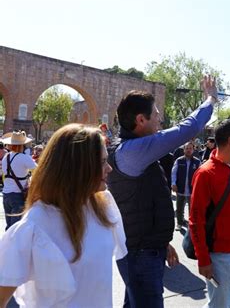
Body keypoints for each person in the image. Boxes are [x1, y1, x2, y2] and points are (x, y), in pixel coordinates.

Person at [107, 76, 218, 308]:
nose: (160, 120)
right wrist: (211, 99)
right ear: (140, 119)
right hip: (141, 254)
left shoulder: (135, 151)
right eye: (156, 115)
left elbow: (143, 204)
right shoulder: (133, 150)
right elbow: (186, 129)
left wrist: (162, 243)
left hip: (144, 249)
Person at [0, 124, 127, 307]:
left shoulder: (103, 205)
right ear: (76, 168)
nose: (109, 168)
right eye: (102, 161)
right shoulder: (37, 224)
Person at [190, 119, 230, 308]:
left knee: (227, 301)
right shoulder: (206, 173)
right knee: (220, 305)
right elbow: (195, 220)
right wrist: (203, 258)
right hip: (218, 256)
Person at [1, 131, 37, 230]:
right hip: (18, 196)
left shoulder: (6, 157)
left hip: (6, 194)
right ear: (22, 145)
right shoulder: (24, 158)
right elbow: (39, 170)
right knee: (16, 229)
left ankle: (5, 245)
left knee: (9, 227)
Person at [171, 141, 201, 231]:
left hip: (192, 190)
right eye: (187, 148)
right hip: (180, 188)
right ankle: (179, 223)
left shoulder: (197, 161)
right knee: (179, 207)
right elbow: (174, 173)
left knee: (193, 208)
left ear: (193, 150)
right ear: (184, 150)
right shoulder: (179, 160)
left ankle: (192, 225)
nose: (188, 150)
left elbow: (200, 175)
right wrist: (173, 183)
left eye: (190, 148)